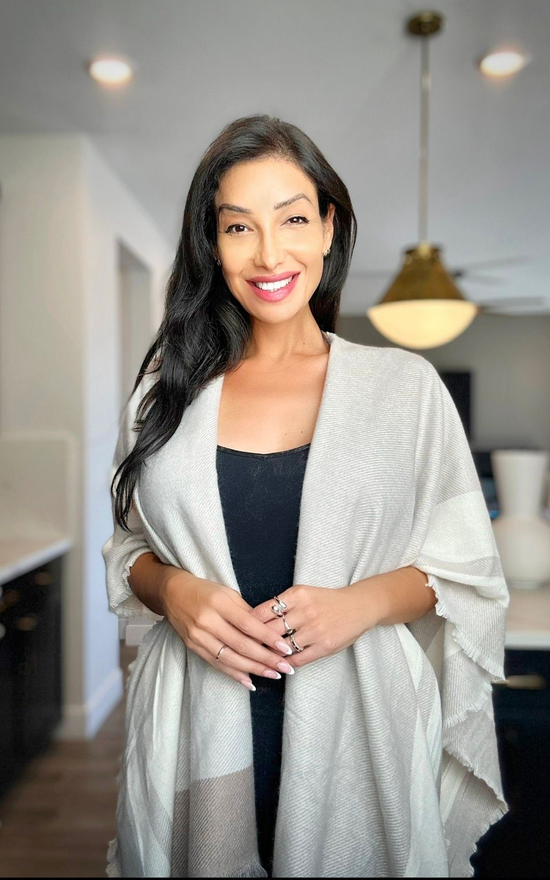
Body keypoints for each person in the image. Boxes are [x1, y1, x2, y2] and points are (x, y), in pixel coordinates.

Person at [102, 115, 509, 878]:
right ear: (211, 244)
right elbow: (128, 550)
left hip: (360, 733)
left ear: (328, 227)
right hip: (195, 728)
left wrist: (362, 603)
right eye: (237, 227)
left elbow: (466, 571)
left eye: (293, 218)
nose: (268, 253)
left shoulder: (403, 391)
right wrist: (172, 589)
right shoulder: (166, 394)